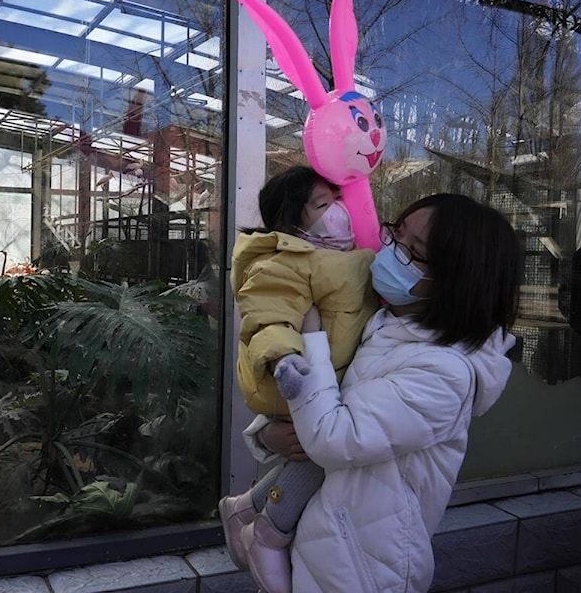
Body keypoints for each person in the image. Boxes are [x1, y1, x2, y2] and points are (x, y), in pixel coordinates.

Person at [257, 193, 521, 592]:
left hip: (363, 571)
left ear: (456, 280)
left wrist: (310, 336)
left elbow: (333, 437)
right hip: (312, 543)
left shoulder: (445, 373)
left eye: (412, 250)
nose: (390, 252)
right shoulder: (382, 322)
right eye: (396, 234)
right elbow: (328, 393)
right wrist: (264, 433)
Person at [221, 166, 378, 592]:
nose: (340, 212)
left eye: (339, 200)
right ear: (294, 221)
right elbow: (269, 315)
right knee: (322, 451)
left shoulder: (351, 258)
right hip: (295, 376)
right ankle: (269, 531)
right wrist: (285, 360)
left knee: (318, 450)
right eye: (324, 205)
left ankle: (245, 510)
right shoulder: (286, 258)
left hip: (330, 377)